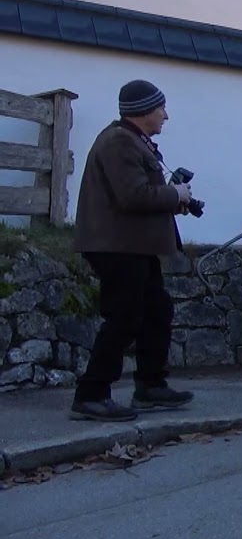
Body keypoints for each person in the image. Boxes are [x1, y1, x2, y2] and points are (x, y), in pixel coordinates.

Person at [69, 80, 195, 422]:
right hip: (117, 246)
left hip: (134, 246)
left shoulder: (132, 141)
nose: (166, 115)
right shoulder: (119, 142)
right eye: (161, 108)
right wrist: (175, 195)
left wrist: (173, 200)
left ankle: (150, 386)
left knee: (157, 311)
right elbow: (132, 195)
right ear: (143, 111)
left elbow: (138, 194)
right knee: (124, 317)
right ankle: (91, 394)